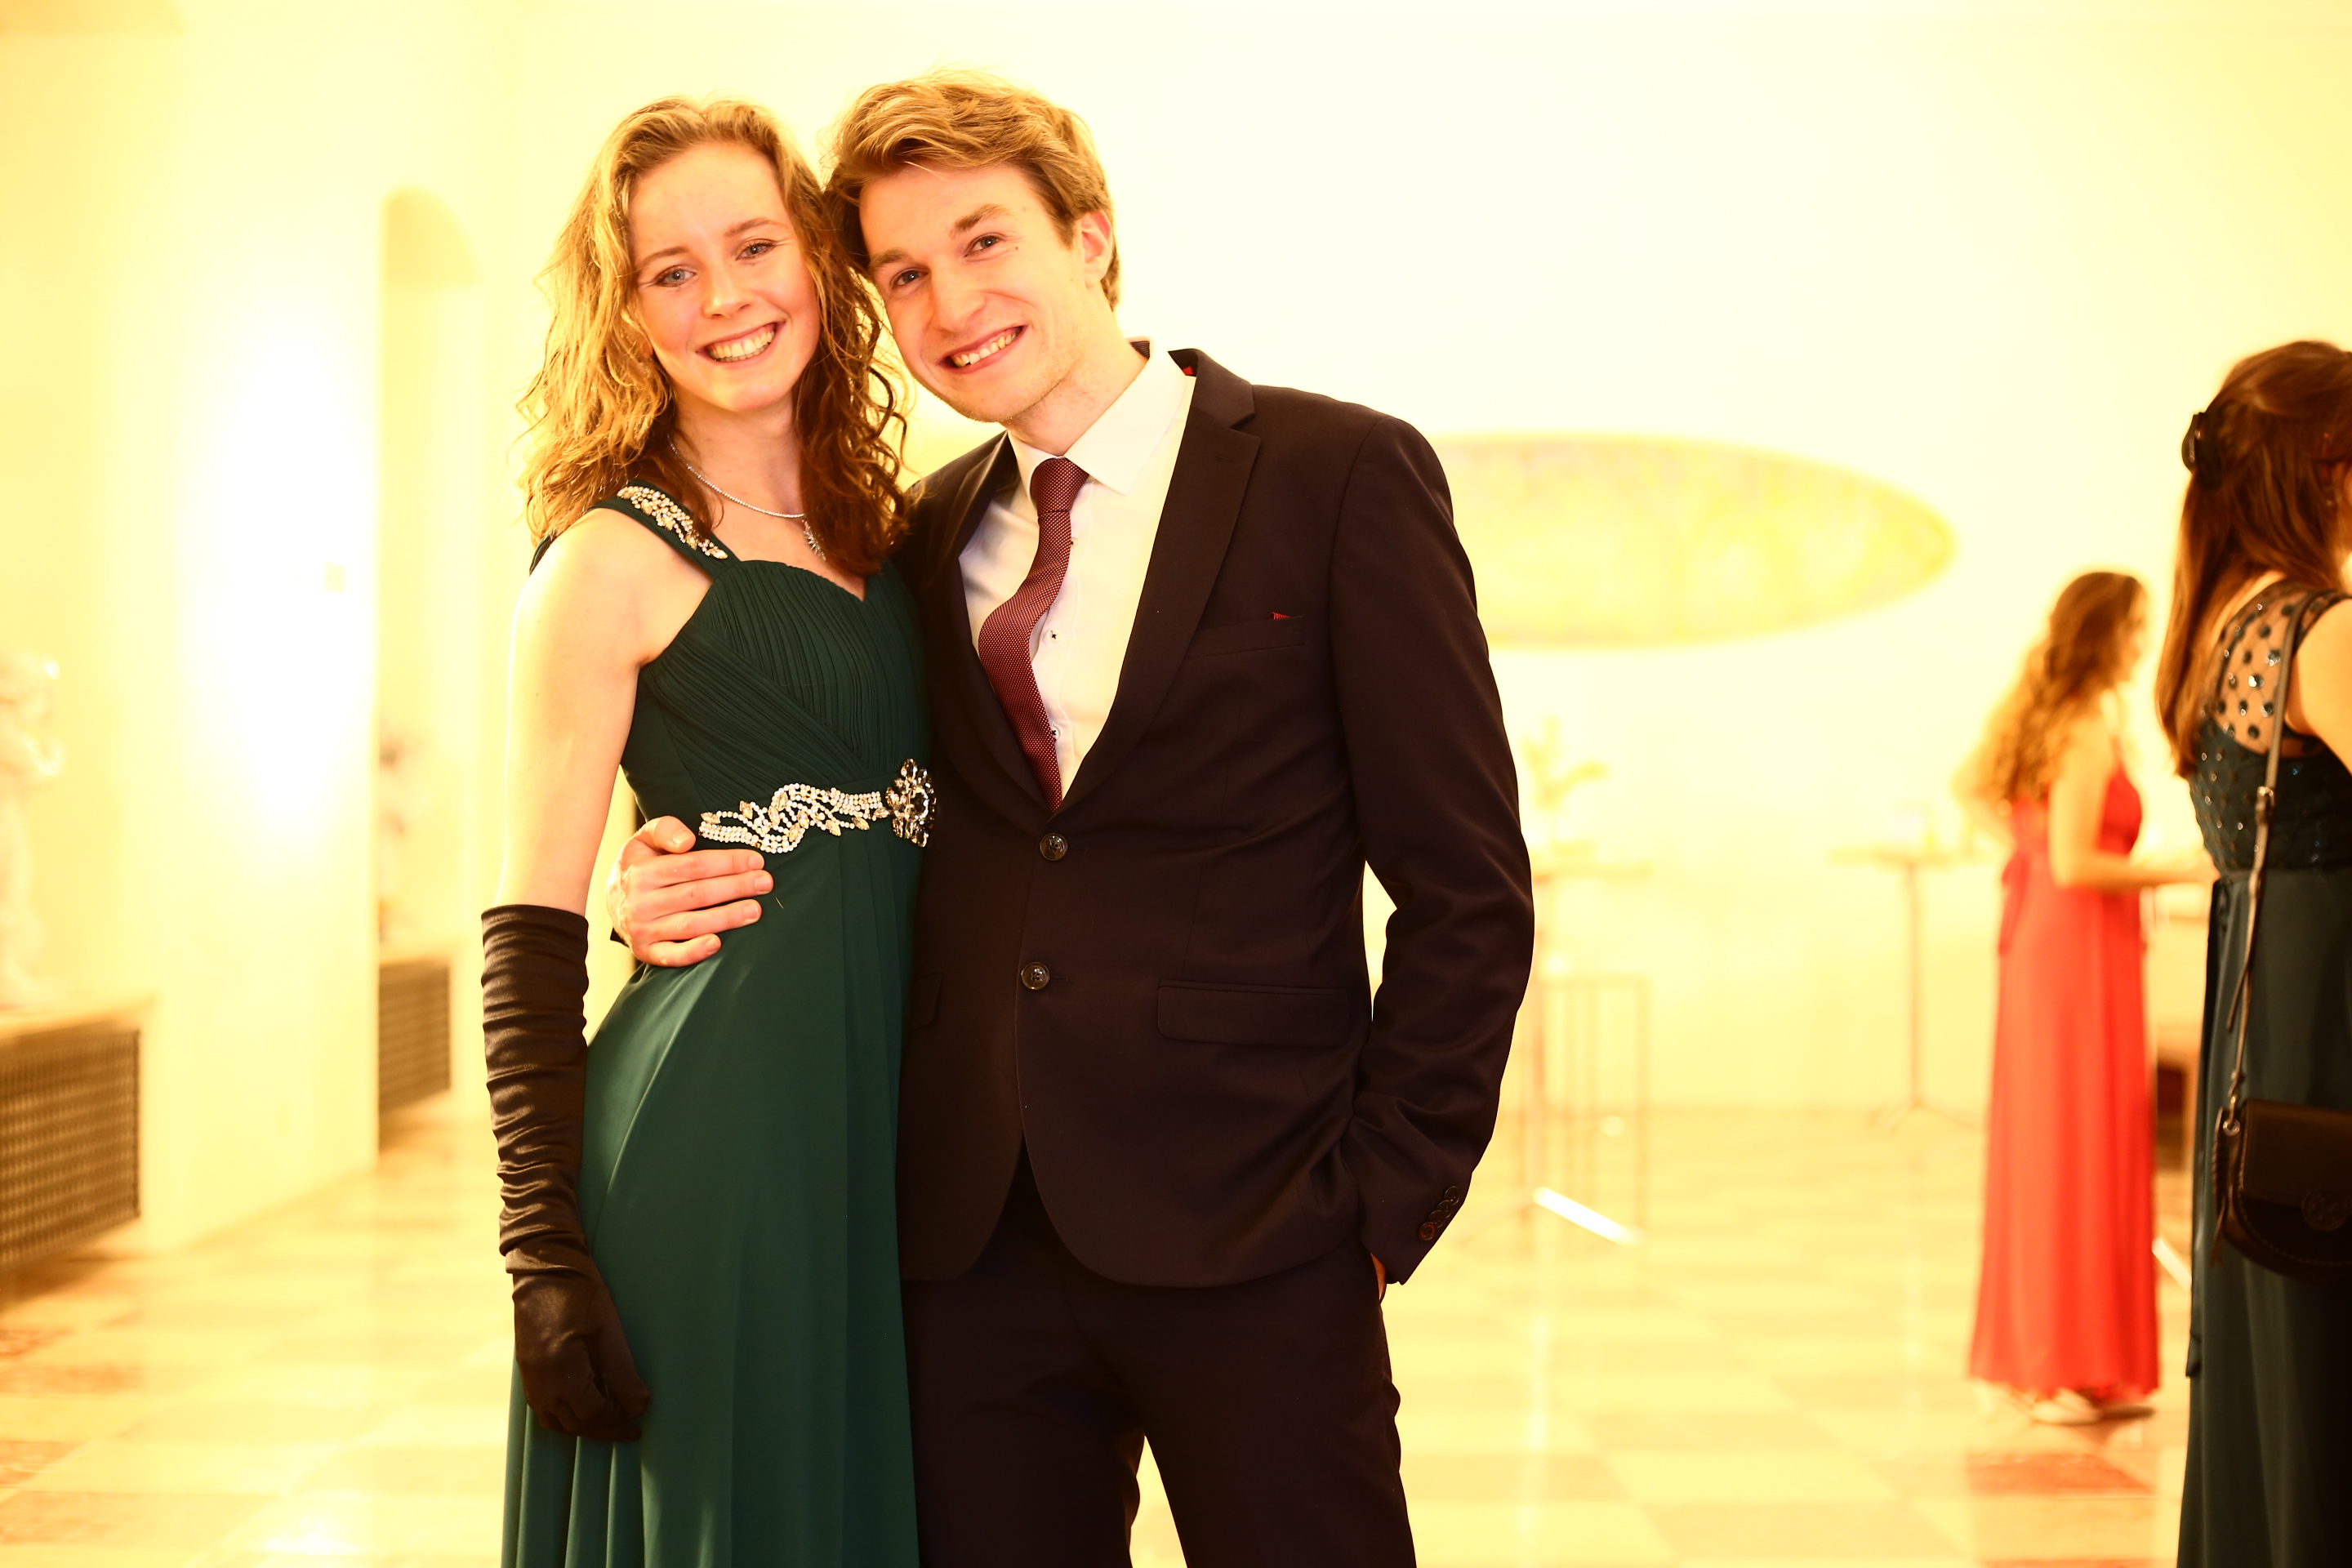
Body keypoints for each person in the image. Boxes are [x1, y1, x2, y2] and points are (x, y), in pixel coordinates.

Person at [609, 70, 1534, 1567]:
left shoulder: (1339, 476)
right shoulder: (914, 536)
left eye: (984, 242)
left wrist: (1383, 1201)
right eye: (904, 274)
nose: (950, 303)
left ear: (1091, 235)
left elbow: (1467, 883)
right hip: (971, 1250)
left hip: (1263, 1228)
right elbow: (860, 804)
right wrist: (655, 861)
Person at [483, 96, 924, 1565]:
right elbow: (530, 925)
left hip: (897, 1130)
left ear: (817, 258)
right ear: (626, 312)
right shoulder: (607, 558)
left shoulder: (902, 530)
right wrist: (542, 1256)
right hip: (720, 1137)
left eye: (753, 246)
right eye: (671, 270)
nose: (725, 296)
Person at [2154, 340, 2352, 1567]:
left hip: (2265, 1001)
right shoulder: (2321, 630)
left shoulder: (2226, 618)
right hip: (2327, 1001)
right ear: (2324, 466)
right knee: (2323, 1321)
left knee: (2285, 1313)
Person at [1954, 571, 2212, 1426]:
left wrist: (2023, 846)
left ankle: (2080, 1360)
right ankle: (2054, 1362)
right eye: (2136, 627)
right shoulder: (2083, 728)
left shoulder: (2066, 717)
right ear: (2108, 634)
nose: (2144, 642)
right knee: (2070, 1142)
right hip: (2072, 951)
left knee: (2076, 1138)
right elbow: (2074, 862)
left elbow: (1977, 794)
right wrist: (2179, 870)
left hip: (2067, 943)